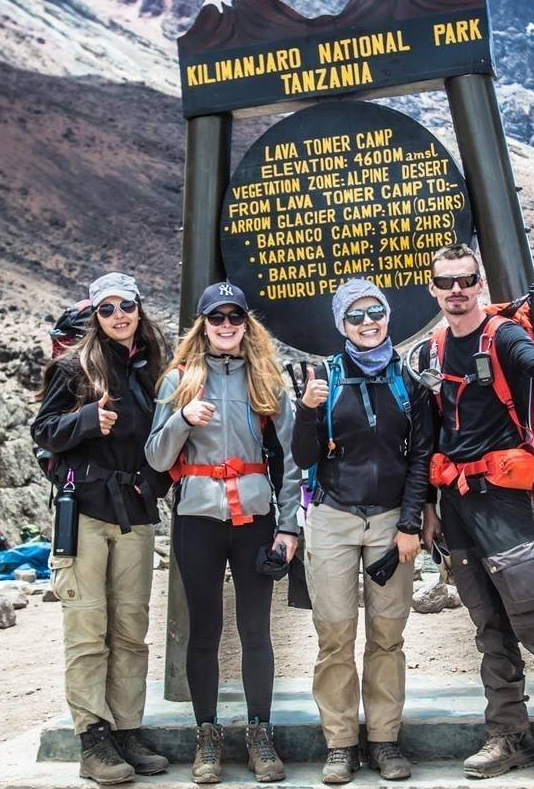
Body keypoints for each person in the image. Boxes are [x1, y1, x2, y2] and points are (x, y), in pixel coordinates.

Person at [416, 243, 534, 781]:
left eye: (466, 280)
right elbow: (430, 434)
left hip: (503, 497)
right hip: (455, 503)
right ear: (433, 289)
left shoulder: (502, 336)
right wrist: (429, 509)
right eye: (446, 281)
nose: (456, 290)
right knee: (488, 624)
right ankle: (508, 736)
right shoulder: (431, 352)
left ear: (479, 285)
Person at [145, 281, 303, 785]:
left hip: (255, 519)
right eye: (218, 318)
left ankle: (260, 734)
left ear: (245, 323)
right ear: (204, 324)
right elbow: (156, 456)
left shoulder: (267, 379)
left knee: (257, 631)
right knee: (204, 631)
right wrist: (182, 420)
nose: (227, 326)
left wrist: (289, 527)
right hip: (197, 520)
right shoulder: (178, 381)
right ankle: (207, 736)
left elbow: (294, 459)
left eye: (235, 317)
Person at [32, 271, 173, 785]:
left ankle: (128, 730)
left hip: (134, 513)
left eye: (126, 306)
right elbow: (43, 431)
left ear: (139, 308)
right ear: (96, 315)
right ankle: (93, 737)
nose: (118, 316)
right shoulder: (73, 368)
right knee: (88, 628)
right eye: (107, 308)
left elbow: (166, 437)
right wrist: (87, 419)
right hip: (86, 510)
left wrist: (153, 484)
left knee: (131, 631)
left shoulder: (153, 368)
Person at [290, 279, 433, 784]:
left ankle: (385, 740)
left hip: (391, 522)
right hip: (332, 518)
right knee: (334, 635)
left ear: (388, 316)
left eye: (376, 311)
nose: (368, 322)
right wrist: (307, 411)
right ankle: (340, 742)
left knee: (387, 635)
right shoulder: (323, 380)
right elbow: (303, 458)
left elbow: (421, 459)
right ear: (340, 325)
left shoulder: (410, 383)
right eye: (355, 316)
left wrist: (412, 523)